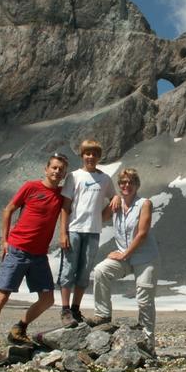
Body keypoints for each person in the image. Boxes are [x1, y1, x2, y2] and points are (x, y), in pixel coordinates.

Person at [0, 153, 69, 366]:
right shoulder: (31, 187)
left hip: (39, 255)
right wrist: (4, 240)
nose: (57, 172)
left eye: (61, 170)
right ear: (46, 169)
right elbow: (8, 209)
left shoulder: (61, 197)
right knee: (1, 296)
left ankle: (19, 329)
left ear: (64, 174)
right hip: (18, 250)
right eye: (54, 168)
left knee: (47, 299)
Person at [87, 168, 160, 355]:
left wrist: (125, 254)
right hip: (124, 255)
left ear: (137, 185)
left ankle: (147, 344)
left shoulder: (144, 204)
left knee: (144, 299)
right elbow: (100, 218)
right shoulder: (116, 204)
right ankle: (103, 315)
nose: (126, 186)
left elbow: (142, 233)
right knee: (101, 271)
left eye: (130, 182)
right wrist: (110, 199)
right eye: (122, 183)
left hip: (144, 256)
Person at [59, 139, 116, 327]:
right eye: (87, 153)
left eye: (94, 154)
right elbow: (65, 207)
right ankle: (65, 310)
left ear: (99, 157)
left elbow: (113, 197)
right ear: (82, 155)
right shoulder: (73, 177)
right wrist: (63, 233)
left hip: (92, 231)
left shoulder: (105, 179)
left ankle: (76, 308)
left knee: (84, 273)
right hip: (74, 229)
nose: (90, 157)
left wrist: (106, 211)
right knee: (68, 270)